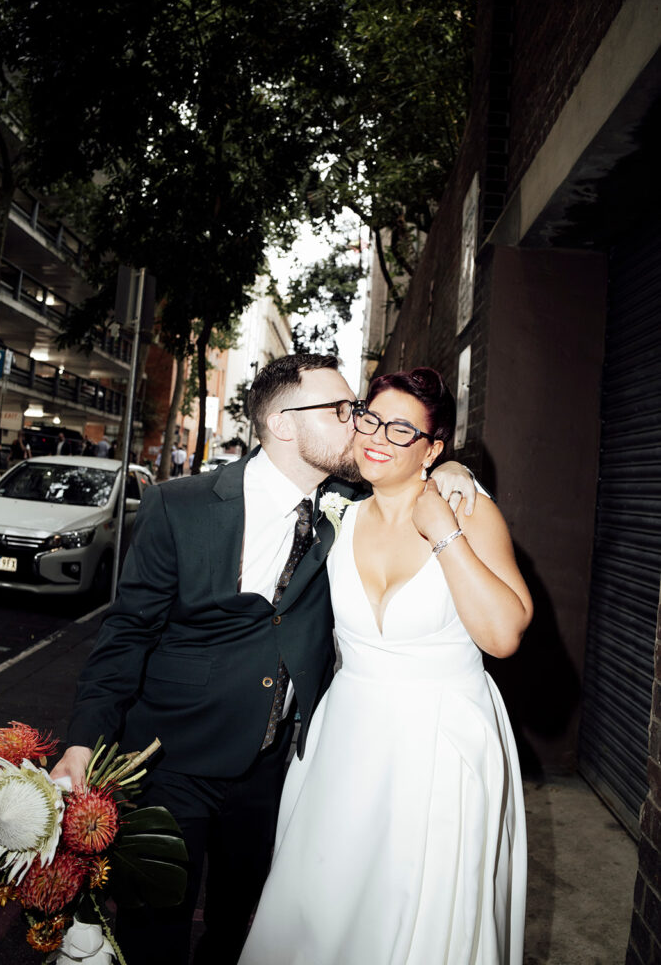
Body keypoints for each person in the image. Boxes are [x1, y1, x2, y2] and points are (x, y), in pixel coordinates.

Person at [50, 354, 477, 965]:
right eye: (342, 410)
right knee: (154, 932)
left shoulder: (351, 504)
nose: (359, 422)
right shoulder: (179, 506)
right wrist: (83, 742)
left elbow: (413, 466)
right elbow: (126, 635)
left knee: (239, 931)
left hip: (273, 769)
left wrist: (452, 467)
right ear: (282, 423)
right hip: (171, 760)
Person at [239, 367, 532, 965]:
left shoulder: (468, 511)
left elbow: (503, 637)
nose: (377, 437)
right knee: (324, 905)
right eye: (372, 419)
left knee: (420, 913)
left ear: (433, 448)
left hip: (440, 742)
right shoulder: (339, 512)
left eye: (403, 430)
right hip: (345, 740)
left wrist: (445, 534)